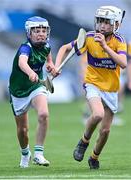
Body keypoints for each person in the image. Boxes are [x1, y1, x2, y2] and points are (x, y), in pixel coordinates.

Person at [54, 6, 127, 169]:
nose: (102, 25)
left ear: (116, 25)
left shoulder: (120, 41)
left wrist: (105, 47)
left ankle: (94, 157)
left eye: (107, 22)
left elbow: (123, 63)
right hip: (92, 83)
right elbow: (64, 48)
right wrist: (57, 66)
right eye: (100, 21)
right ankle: (84, 141)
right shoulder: (89, 37)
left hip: (111, 89)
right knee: (98, 114)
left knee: (105, 131)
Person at [9, 16, 57, 168]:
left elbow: (48, 60)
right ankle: (25, 153)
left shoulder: (46, 46)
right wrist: (30, 72)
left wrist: (51, 65)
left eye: (43, 30)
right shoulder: (25, 48)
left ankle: (38, 154)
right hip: (18, 90)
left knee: (43, 114)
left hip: (36, 87)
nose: (41, 34)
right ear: (29, 33)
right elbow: (22, 62)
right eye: (37, 31)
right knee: (23, 130)